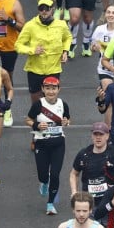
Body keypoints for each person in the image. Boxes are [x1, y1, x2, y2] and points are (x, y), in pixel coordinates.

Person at [16, 0, 72, 111]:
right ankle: (37, 123)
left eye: (47, 8)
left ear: (52, 9)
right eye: (41, 8)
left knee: (51, 99)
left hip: (53, 68)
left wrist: (65, 51)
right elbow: (18, 45)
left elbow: (68, 37)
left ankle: (52, 124)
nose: (44, 11)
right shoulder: (30, 25)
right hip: (35, 69)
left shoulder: (61, 25)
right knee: (36, 101)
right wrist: (32, 50)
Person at [24, 77, 70, 215]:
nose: (51, 91)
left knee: (55, 174)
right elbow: (28, 120)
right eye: (48, 88)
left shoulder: (63, 104)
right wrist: (37, 125)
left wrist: (66, 122)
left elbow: (67, 119)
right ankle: (43, 182)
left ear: (58, 90)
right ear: (43, 89)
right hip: (42, 143)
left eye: (54, 88)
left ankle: (50, 204)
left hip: (58, 143)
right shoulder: (38, 104)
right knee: (43, 174)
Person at [70, 122, 114, 211]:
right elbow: (74, 173)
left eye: (101, 134)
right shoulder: (83, 154)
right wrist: (74, 192)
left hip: (110, 203)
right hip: (89, 203)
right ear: (92, 136)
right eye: (95, 134)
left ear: (107, 136)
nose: (98, 137)